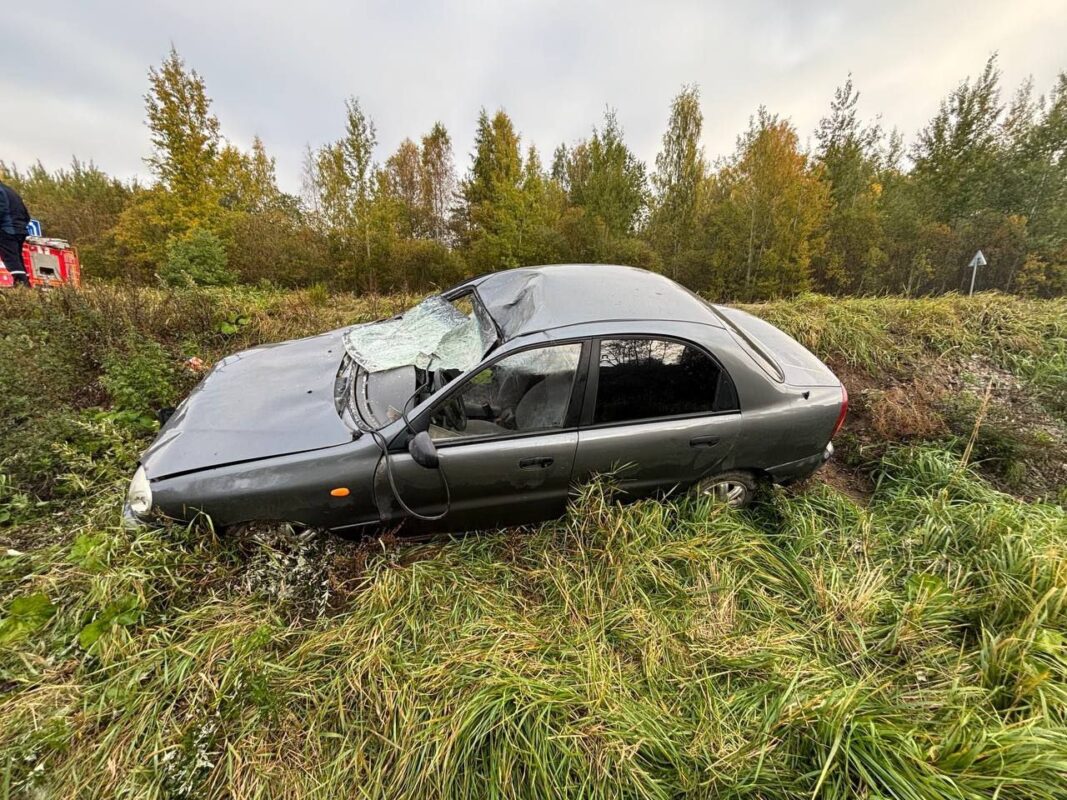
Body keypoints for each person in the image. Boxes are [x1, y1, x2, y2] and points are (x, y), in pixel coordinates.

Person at [0, 180, 31, 286]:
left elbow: (1, 210)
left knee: (12, 261)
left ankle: (22, 288)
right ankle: (26, 288)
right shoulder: (11, 192)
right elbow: (26, 214)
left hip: (7, 230)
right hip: (20, 231)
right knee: (18, 261)